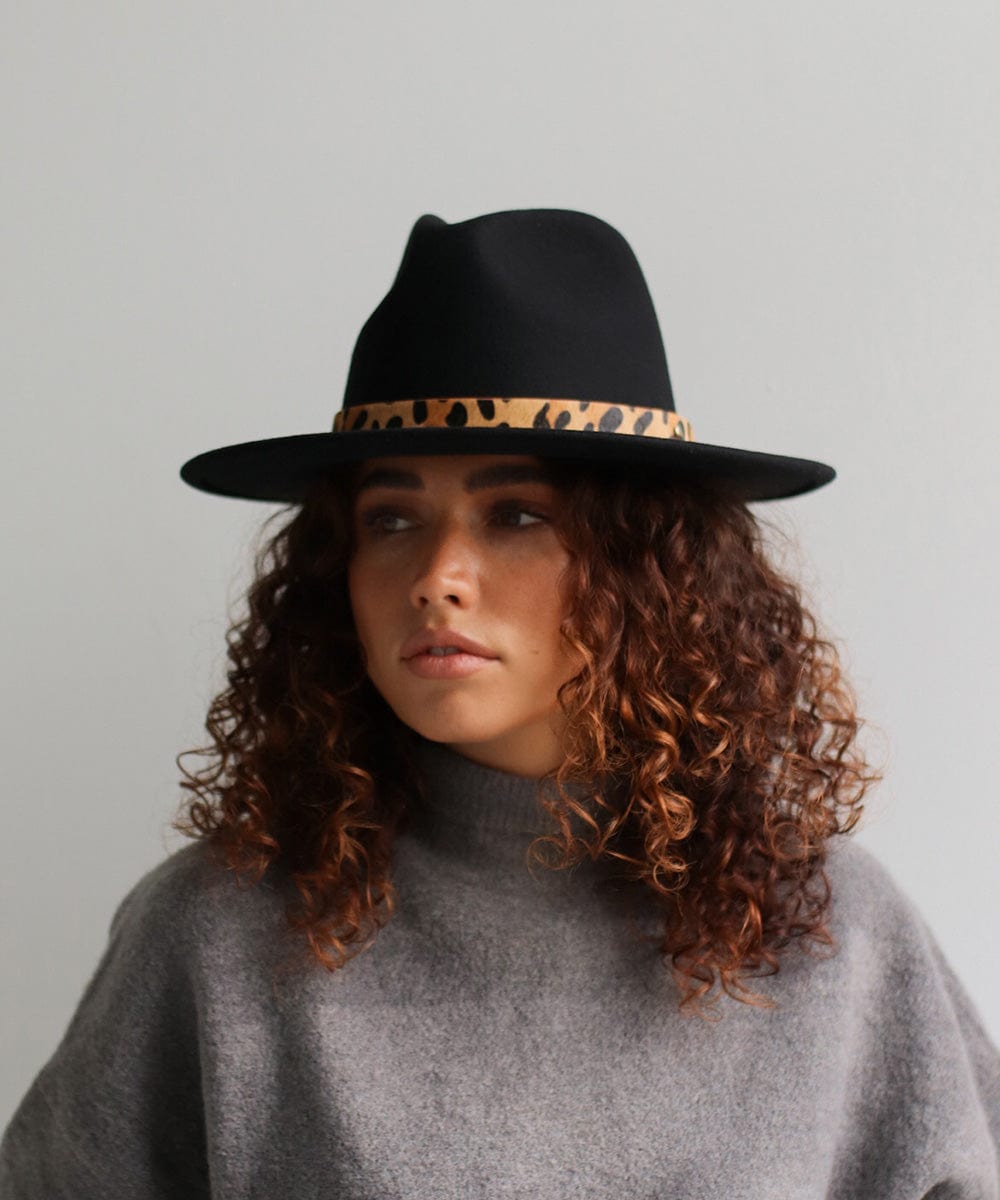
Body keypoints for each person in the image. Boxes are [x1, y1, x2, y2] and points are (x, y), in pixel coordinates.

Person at [2, 208, 998, 1198]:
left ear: (648, 566)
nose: (437, 575)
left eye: (515, 514)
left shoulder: (826, 930)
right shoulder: (220, 932)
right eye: (391, 518)